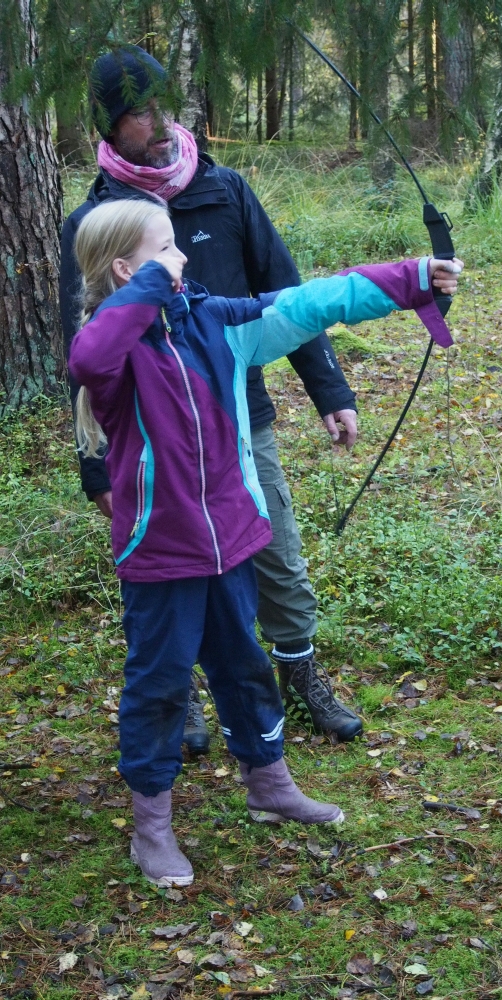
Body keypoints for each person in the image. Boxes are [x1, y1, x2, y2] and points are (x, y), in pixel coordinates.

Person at [68, 198, 462, 886]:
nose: (183, 258)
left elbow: (308, 303)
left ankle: (269, 784)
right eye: (168, 250)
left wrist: (412, 277)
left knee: (243, 666)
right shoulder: (118, 352)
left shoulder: (217, 325)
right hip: (160, 555)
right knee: (159, 686)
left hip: (231, 541)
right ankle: (151, 829)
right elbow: (90, 352)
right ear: (130, 270)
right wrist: (152, 286)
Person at [60, 45, 364, 752]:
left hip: (238, 423)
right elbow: (79, 345)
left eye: (159, 106)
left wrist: (329, 390)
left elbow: (286, 296)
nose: (155, 123)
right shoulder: (97, 219)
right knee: (172, 571)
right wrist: (94, 465)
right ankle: (183, 697)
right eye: (138, 113)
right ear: (109, 126)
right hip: (147, 440)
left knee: (277, 557)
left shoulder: (221, 191)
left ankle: (301, 673)